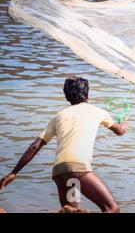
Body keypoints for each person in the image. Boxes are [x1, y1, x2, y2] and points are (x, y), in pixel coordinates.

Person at [0, 76, 128, 213]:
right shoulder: (98, 111)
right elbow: (119, 131)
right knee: (112, 208)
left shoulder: (58, 116)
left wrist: (14, 173)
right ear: (87, 96)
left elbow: (35, 145)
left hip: (60, 172)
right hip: (78, 169)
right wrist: (124, 125)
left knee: (71, 211)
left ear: (67, 97)